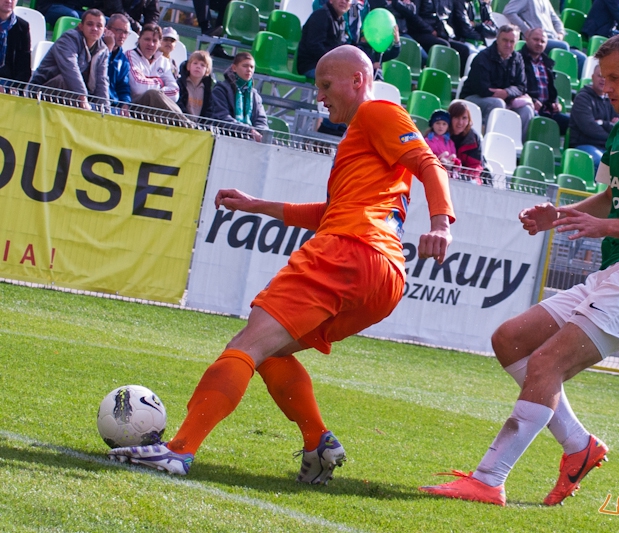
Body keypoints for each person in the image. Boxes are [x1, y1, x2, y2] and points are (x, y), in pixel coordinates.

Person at [108, 45, 456, 482]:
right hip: (384, 278)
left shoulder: (377, 113)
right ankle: (319, 442)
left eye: (326, 86)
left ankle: (179, 450)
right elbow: (329, 211)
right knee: (271, 353)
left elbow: (431, 164)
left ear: (357, 80)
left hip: (349, 250)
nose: (320, 97)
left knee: (248, 344)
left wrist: (442, 223)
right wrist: (257, 205)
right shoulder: (365, 140)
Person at [420, 30, 619, 507]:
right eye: (602, 78)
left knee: (546, 361)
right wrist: (562, 214)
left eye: (614, 79)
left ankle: (489, 479)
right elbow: (614, 195)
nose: (605, 88)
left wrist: (603, 225)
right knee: (509, 339)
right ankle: (579, 446)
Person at [460, 25, 533, 139]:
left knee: (526, 110)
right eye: (505, 40)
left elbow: (522, 86)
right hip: (473, 98)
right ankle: (489, 141)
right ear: (497, 39)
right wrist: (503, 95)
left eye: (511, 41)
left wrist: (507, 92)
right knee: (497, 103)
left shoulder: (518, 58)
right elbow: (481, 88)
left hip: (505, 98)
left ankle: (516, 146)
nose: (508, 45)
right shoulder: (483, 57)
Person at [297, 0, 400, 79]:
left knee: (359, 78)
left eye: (347, 0)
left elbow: (343, 49)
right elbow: (314, 46)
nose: (343, 1)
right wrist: (338, 64)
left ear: (350, 5)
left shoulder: (341, 21)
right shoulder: (321, 15)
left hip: (329, 67)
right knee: (348, 80)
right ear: (331, 0)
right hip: (312, 66)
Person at [30, 9, 109, 110]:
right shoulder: (68, 39)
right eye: (90, 24)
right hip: (42, 90)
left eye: (99, 26)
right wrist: (82, 97)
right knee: (65, 81)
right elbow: (70, 69)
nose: (94, 28)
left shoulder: (103, 50)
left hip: (76, 95)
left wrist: (105, 111)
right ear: (81, 26)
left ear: (104, 30)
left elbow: (102, 81)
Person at [503, 0, 586, 75]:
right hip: (539, 40)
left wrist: (560, 33)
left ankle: (571, 88)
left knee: (581, 58)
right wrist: (526, 30)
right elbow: (509, 12)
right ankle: (559, 80)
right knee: (563, 46)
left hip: (554, 39)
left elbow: (556, 20)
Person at [568, 63, 619, 169]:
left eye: (606, 77)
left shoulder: (612, 100)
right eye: (600, 76)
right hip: (584, 145)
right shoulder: (582, 98)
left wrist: (602, 123)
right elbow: (589, 127)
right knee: (603, 164)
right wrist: (610, 130)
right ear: (592, 77)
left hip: (606, 147)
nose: (603, 80)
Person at [520, 28, 570, 135]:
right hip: (530, 109)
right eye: (536, 39)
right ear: (527, 39)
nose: (539, 43)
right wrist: (532, 100)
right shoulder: (518, 59)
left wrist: (556, 103)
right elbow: (516, 86)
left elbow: (551, 89)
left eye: (542, 41)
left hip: (548, 110)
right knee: (539, 124)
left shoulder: (547, 63)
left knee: (573, 123)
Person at [125, 23, 182, 113]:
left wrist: (154, 88)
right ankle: (186, 125)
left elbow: (175, 92)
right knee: (152, 94)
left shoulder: (163, 61)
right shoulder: (131, 55)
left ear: (159, 43)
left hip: (156, 110)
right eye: (147, 39)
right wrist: (160, 81)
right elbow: (138, 87)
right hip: (135, 107)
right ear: (139, 39)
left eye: (155, 41)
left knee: (156, 95)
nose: (151, 44)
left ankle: (185, 125)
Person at [211, 52, 267, 141]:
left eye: (252, 67)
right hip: (224, 139)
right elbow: (222, 118)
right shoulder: (221, 90)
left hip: (250, 142)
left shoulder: (255, 95)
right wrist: (249, 131)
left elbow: (261, 121)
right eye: (245, 66)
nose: (249, 70)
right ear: (234, 68)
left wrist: (261, 133)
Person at [409, 0, 471, 72]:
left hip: (439, 32)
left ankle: (456, 79)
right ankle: (438, 76)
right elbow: (413, 16)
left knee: (463, 49)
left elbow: (446, 19)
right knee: (444, 45)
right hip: (421, 32)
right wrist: (430, 30)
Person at [448, 99, 484, 184]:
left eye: (464, 118)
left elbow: (475, 166)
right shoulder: (441, 134)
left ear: (468, 120)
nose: (460, 122)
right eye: (456, 117)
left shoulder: (473, 138)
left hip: (466, 178)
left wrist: (460, 177)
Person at [106, 13, 132, 114]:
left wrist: (125, 104)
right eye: (118, 31)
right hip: (94, 101)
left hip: (114, 107)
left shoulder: (124, 60)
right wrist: (108, 48)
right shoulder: (95, 49)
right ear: (107, 29)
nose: (122, 36)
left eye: (126, 32)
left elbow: (123, 87)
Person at [0, 0, 31, 84]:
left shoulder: (23, 27)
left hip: (8, 84)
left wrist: (12, 88)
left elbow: (24, 68)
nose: (9, 1)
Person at [178, 50, 214, 118]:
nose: (198, 66)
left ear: (207, 71)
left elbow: (209, 111)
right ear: (188, 66)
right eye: (195, 63)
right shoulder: (180, 84)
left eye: (202, 65)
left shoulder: (207, 90)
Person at [93, 0, 160, 34]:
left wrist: (150, 27)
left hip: (133, 25)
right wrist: (135, 26)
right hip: (108, 19)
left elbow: (153, 11)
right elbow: (115, 9)